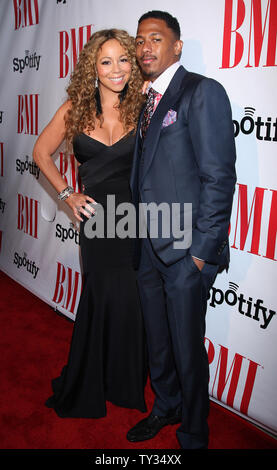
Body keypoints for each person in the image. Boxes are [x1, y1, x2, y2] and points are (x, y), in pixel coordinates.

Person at [126, 11, 236, 449]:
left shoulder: (202, 92)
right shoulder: (147, 100)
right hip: (149, 249)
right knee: (158, 340)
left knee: (188, 349)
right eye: (140, 40)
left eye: (156, 38)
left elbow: (218, 177)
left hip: (186, 252)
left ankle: (194, 431)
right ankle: (166, 404)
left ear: (177, 45)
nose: (145, 47)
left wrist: (200, 254)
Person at [33, 29, 148, 418]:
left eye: (123, 60)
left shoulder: (145, 104)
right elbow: (40, 153)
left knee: (132, 302)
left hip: (135, 219)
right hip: (97, 222)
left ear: (133, 64)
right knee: (101, 298)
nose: (116, 69)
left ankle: (125, 383)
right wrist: (67, 194)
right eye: (106, 61)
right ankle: (91, 380)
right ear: (92, 69)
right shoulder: (74, 110)